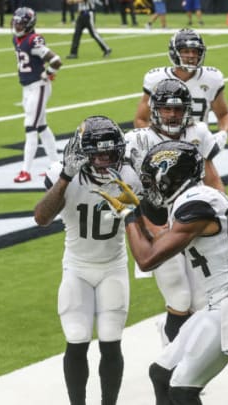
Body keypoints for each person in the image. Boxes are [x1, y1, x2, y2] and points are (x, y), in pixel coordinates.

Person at [96, 140, 228, 405]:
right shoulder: (197, 197)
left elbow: (147, 259)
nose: (151, 187)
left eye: (153, 179)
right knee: (161, 374)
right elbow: (158, 237)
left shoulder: (196, 203)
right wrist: (136, 211)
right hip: (219, 302)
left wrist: (128, 215)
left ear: (170, 176)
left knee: (183, 390)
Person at [34, 116, 142, 405]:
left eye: (110, 151)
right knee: (77, 339)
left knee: (110, 341)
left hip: (113, 267)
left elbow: (153, 220)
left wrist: (143, 202)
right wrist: (66, 177)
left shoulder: (130, 176)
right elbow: (41, 217)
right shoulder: (64, 173)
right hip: (77, 268)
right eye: (98, 152)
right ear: (82, 152)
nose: (105, 158)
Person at [125, 78, 225, 347]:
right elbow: (127, 191)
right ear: (155, 109)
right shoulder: (137, 140)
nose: (172, 114)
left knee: (202, 300)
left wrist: (225, 211)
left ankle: (182, 353)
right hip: (156, 221)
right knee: (179, 298)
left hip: (192, 221)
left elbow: (212, 177)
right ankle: (172, 364)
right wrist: (151, 227)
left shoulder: (199, 132)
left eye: (178, 109)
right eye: (167, 109)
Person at [134, 29, 228, 150]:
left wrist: (223, 134)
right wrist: (157, 143)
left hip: (198, 145)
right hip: (164, 146)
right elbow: (141, 119)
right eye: (186, 51)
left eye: (195, 51)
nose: (191, 56)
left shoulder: (211, 78)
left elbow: (223, 114)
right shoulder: (156, 79)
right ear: (174, 53)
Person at [11, 7, 62, 183]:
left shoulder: (34, 40)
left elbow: (56, 60)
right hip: (27, 88)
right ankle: (56, 164)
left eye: (21, 23)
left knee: (30, 127)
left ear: (29, 24)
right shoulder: (17, 39)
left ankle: (25, 171)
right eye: (16, 22)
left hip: (38, 86)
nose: (17, 26)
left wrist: (48, 73)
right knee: (41, 126)